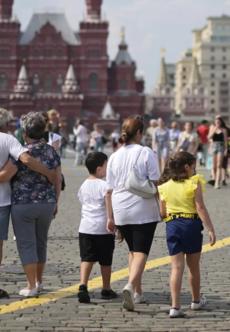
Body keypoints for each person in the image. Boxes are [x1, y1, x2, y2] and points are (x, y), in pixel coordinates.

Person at [0, 109, 61, 300]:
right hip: (3, 199)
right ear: (7, 125)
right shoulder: (11, 141)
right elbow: (27, 161)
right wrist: (49, 176)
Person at [105, 116, 161, 311]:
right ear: (138, 133)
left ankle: (138, 293)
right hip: (142, 208)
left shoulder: (114, 156)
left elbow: (109, 190)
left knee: (132, 251)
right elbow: (156, 181)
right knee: (142, 252)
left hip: (120, 208)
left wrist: (110, 217)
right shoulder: (146, 152)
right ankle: (130, 286)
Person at [156, 151, 216, 318]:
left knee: (176, 268)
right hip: (191, 225)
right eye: (193, 168)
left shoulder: (164, 186)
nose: (194, 172)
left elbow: (162, 213)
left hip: (173, 225)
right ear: (186, 167)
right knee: (193, 267)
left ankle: (175, 306)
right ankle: (196, 301)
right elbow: (200, 208)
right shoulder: (193, 184)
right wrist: (210, 229)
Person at [77, 151, 119, 303]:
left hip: (85, 228)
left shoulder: (83, 185)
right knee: (105, 260)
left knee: (87, 259)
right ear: (99, 168)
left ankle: (83, 285)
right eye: (106, 165)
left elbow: (82, 202)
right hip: (103, 229)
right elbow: (109, 200)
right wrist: (111, 219)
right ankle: (106, 289)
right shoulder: (105, 185)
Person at [208, 116, 229, 189]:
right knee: (213, 166)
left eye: (219, 122)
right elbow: (209, 137)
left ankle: (217, 182)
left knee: (219, 165)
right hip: (214, 145)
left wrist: (226, 149)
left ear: (221, 122)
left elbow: (225, 140)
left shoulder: (224, 130)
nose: (217, 123)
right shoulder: (212, 128)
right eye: (216, 122)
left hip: (221, 146)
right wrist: (215, 129)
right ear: (214, 122)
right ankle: (214, 178)